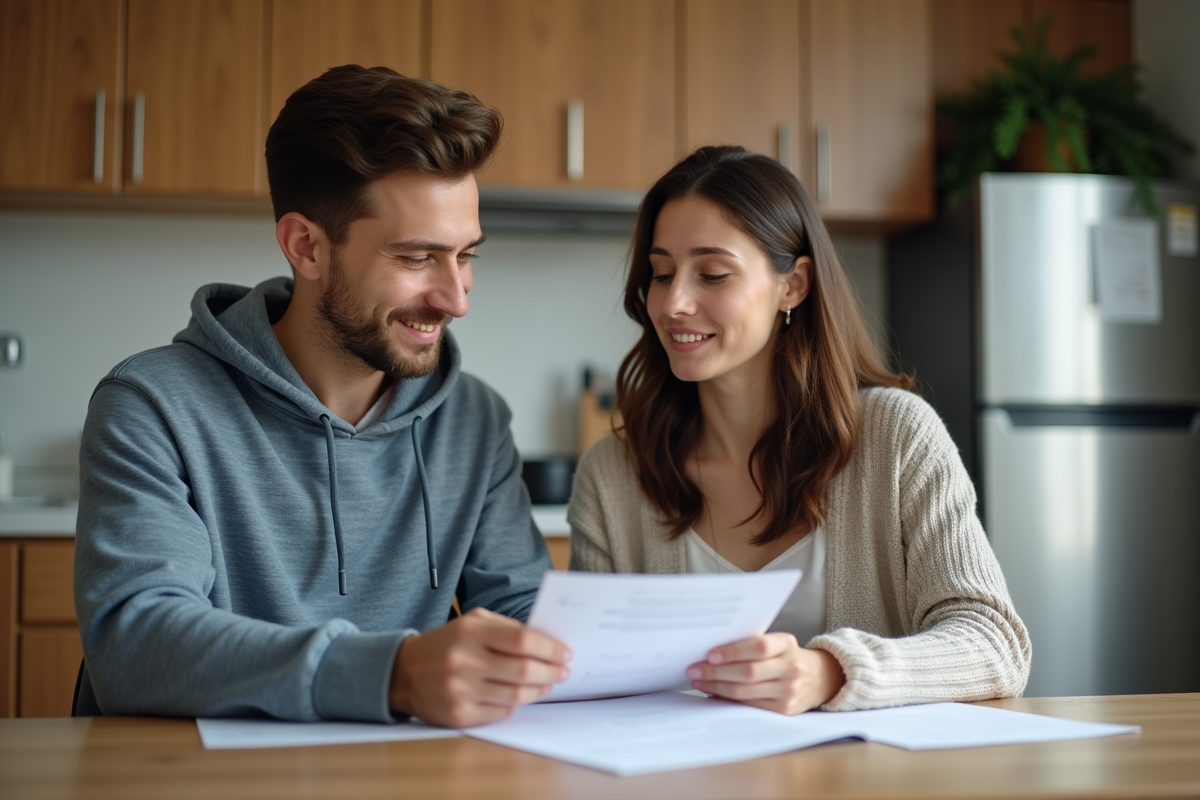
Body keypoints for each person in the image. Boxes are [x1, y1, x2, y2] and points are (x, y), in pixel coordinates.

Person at [73, 66, 570, 728]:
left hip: (401, 770)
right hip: (192, 771)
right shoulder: (153, 405)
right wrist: (393, 674)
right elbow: (134, 644)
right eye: (417, 258)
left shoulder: (472, 419)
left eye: (466, 255)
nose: (456, 299)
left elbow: (524, 615)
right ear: (306, 247)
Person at [568, 146, 1031, 715]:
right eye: (662, 274)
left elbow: (994, 644)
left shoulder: (897, 438)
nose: (674, 303)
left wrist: (830, 672)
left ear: (794, 285)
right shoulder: (613, 474)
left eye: (712, 274)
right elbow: (589, 680)